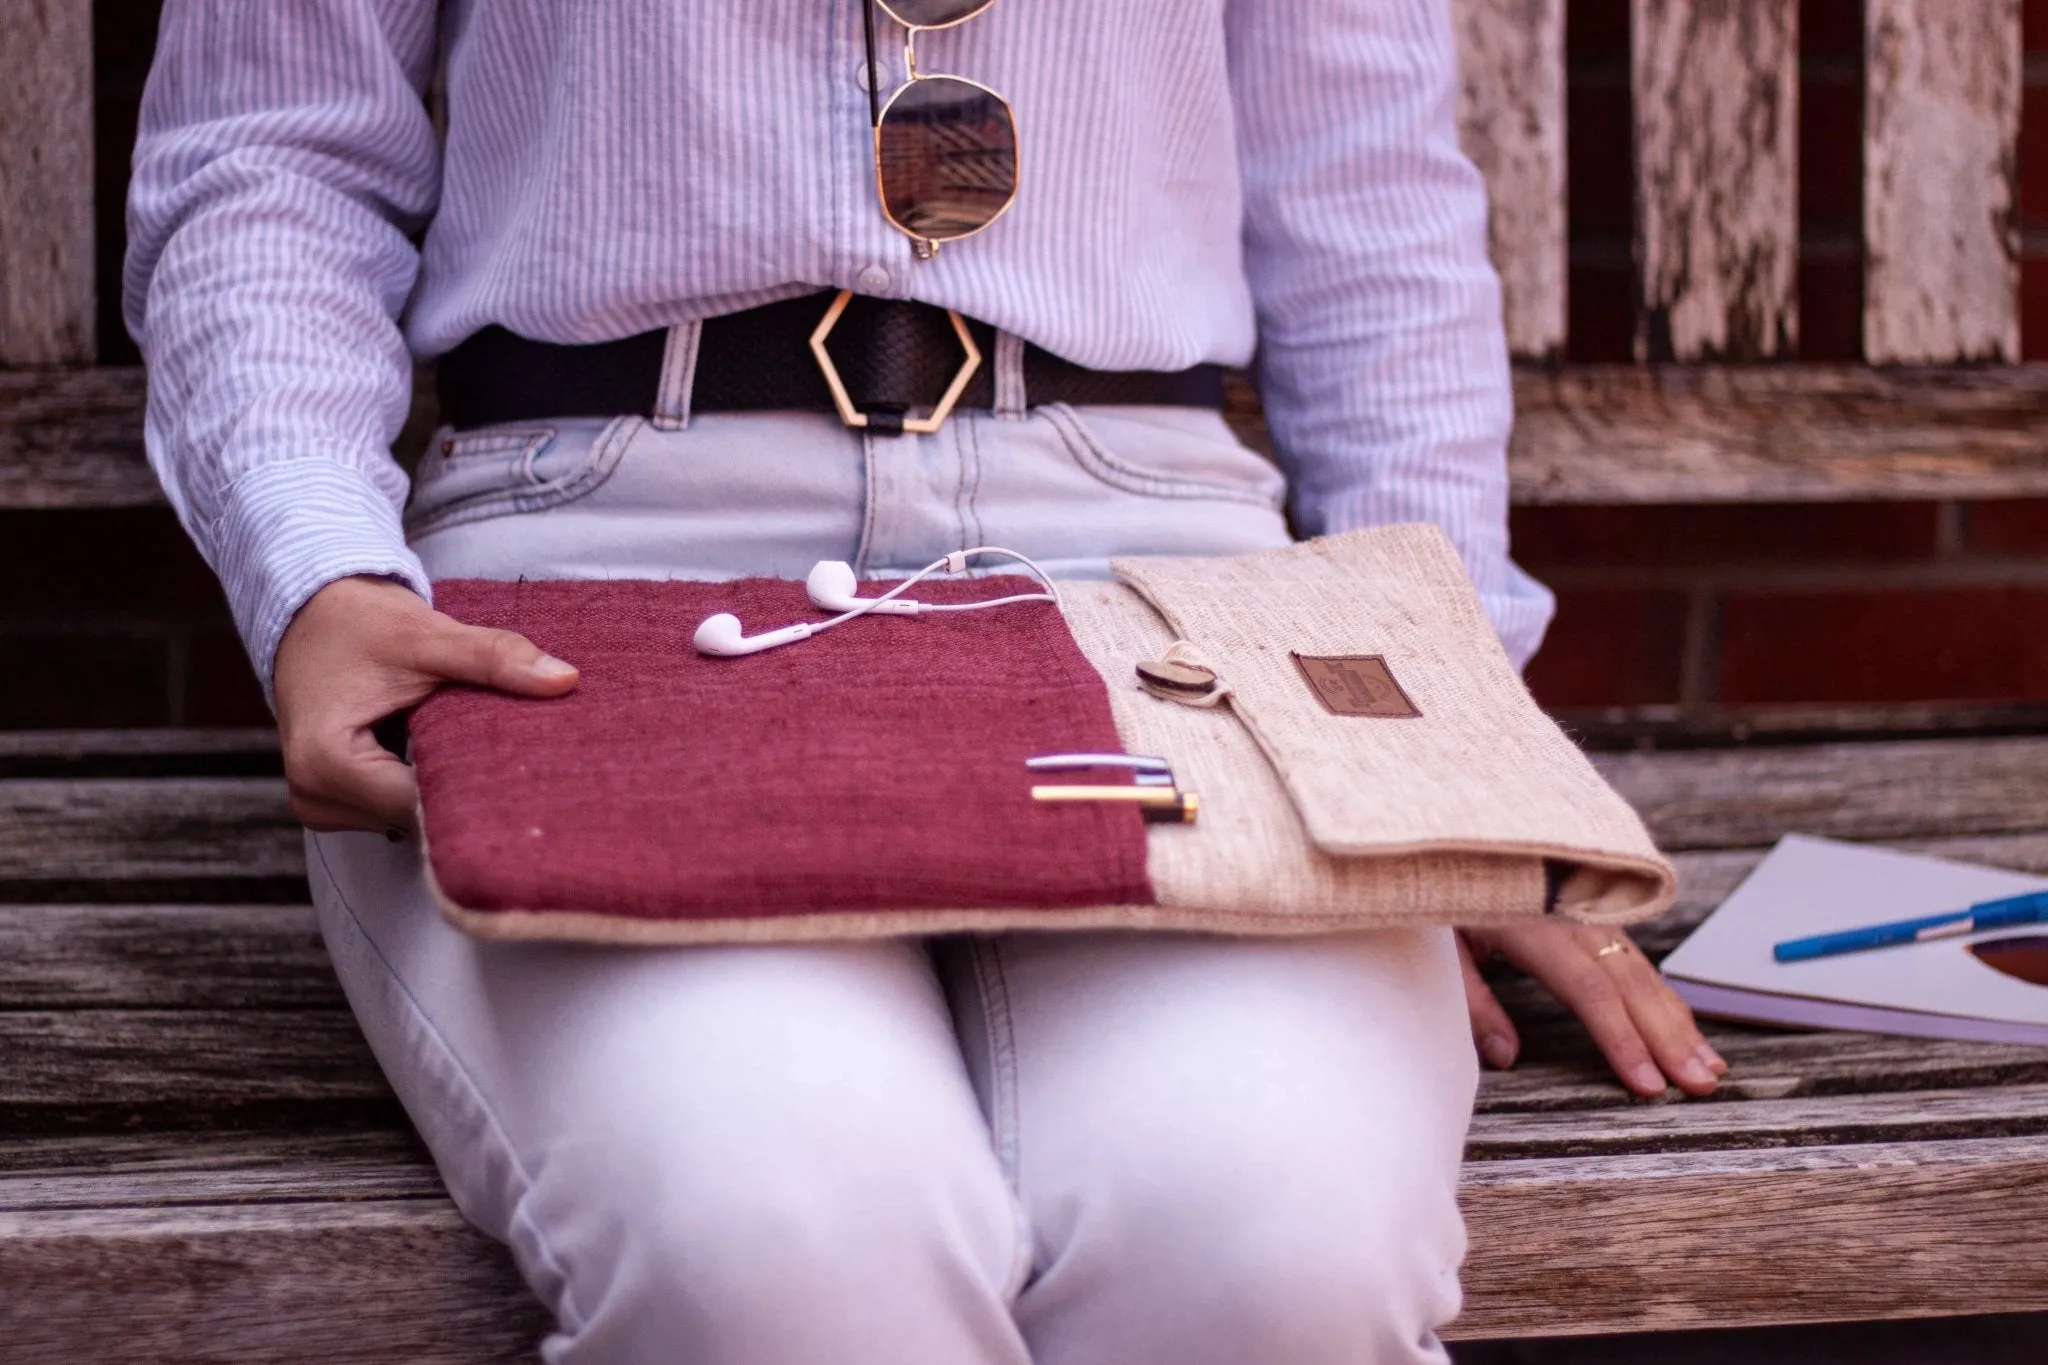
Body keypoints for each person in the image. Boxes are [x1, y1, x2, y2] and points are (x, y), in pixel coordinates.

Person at [126, 2, 1723, 1361]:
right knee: (778, 1237)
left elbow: (1368, 208)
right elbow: (273, 148)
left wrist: (1445, 740)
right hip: (594, 562)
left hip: (1158, 558)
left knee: (1272, 1240)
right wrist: (316, 558)